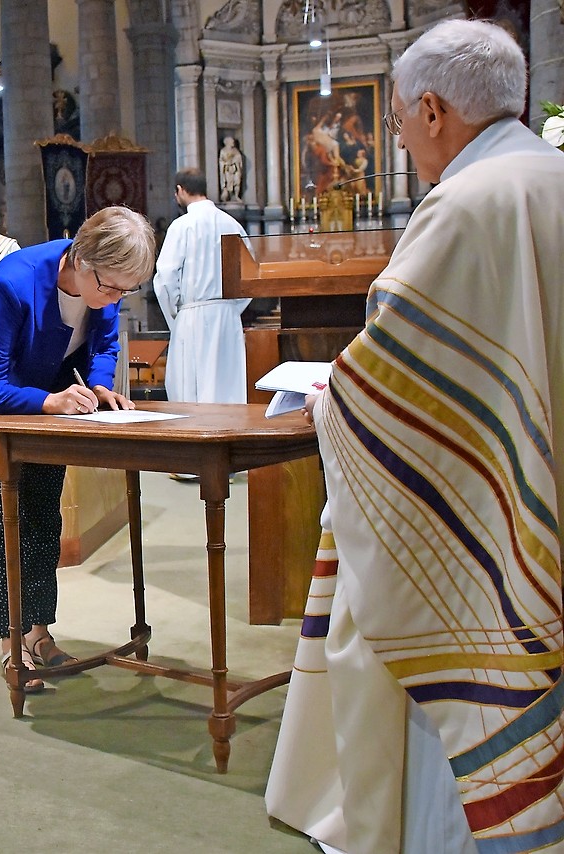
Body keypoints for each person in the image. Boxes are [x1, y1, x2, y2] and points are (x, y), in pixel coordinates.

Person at [266, 19, 564, 854]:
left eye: (395, 119)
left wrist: (330, 399)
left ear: (432, 111)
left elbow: (387, 385)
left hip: (476, 525)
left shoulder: (465, 204)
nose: (396, 139)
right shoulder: (550, 173)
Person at [0, 206, 156, 691]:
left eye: (127, 290)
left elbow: (103, 346)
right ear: (81, 259)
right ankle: (10, 642)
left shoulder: (103, 285)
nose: (115, 299)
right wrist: (49, 401)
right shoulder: (14, 281)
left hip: (51, 390)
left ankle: (40, 632)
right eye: (110, 287)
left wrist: (100, 387)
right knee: (5, 509)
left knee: (44, 509)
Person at [153, 167, 251, 412]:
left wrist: (178, 317)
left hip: (192, 317)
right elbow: (250, 276)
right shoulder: (233, 224)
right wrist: (232, 309)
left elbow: (165, 279)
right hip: (228, 319)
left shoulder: (182, 225)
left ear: (180, 191)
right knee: (227, 391)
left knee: (192, 396)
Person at [218, 136, 243, 202]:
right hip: (227, 169)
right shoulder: (223, 151)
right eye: (232, 141)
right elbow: (221, 160)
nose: (233, 143)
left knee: (237, 181)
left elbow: (239, 158)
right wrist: (226, 163)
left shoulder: (235, 150)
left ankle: (236, 195)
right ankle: (229, 195)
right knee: (228, 183)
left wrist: (235, 161)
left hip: (235, 168)